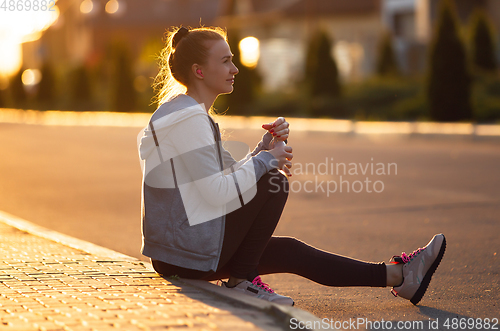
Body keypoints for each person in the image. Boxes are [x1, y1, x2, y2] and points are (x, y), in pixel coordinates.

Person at [138, 26, 446, 306]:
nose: (234, 69)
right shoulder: (188, 120)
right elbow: (216, 192)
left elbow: (225, 178)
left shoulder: (188, 115)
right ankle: (242, 282)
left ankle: (401, 276)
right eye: (225, 61)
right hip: (186, 253)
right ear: (199, 71)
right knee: (274, 180)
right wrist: (266, 161)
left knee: (291, 251)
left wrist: (264, 148)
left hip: (181, 250)